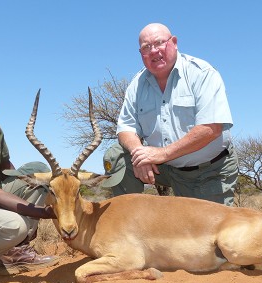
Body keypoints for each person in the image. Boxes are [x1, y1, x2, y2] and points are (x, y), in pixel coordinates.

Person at [102, 23, 239, 206]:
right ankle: (128, 225)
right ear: (141, 53)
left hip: (208, 171)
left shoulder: (202, 73)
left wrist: (162, 154)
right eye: (146, 47)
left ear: (174, 43)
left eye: (159, 43)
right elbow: (126, 128)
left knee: (206, 232)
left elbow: (211, 129)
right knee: (117, 155)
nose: (153, 51)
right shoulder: (137, 84)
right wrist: (139, 155)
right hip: (166, 169)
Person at [0, 72, 59, 283]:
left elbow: (6, 168)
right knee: (15, 226)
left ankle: (15, 250)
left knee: (41, 173)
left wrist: (37, 188)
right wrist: (43, 212)